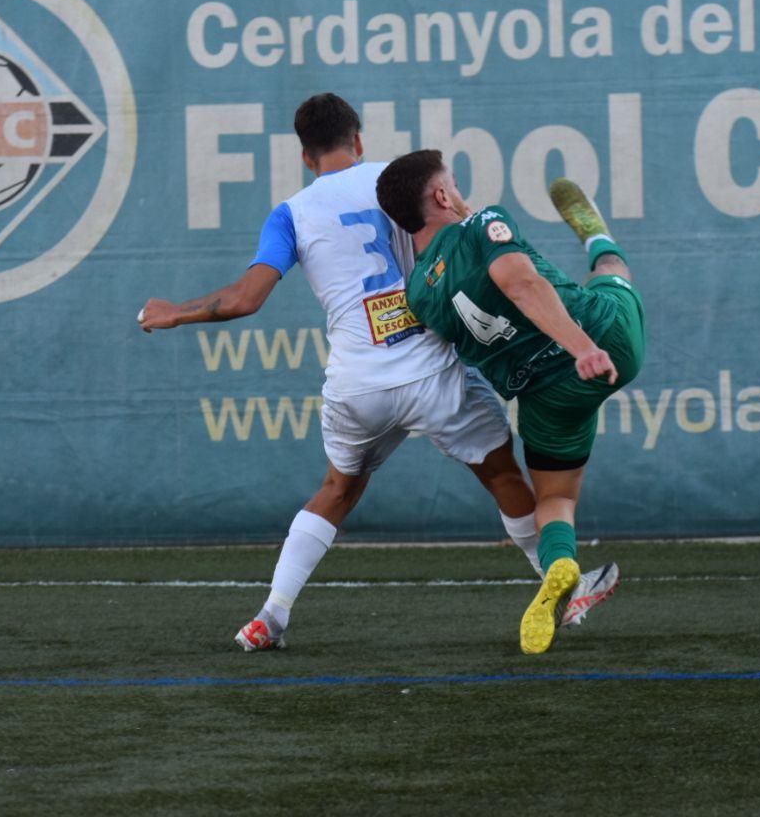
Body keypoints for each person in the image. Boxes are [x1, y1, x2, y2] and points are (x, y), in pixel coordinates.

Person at [139, 94, 617, 651]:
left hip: (357, 384)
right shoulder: (396, 183)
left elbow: (247, 300)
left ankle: (270, 617)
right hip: (432, 373)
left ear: (303, 156)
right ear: (359, 140)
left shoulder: (291, 212)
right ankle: (563, 588)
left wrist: (176, 312)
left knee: (337, 490)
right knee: (505, 477)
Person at [375, 151, 645, 654]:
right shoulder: (485, 220)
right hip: (604, 337)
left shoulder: (417, 294)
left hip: (542, 395)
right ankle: (595, 234)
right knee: (613, 270)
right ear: (441, 196)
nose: (457, 193)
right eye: (452, 185)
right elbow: (519, 283)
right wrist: (582, 348)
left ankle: (561, 562)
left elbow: (468, 270)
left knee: (555, 501)